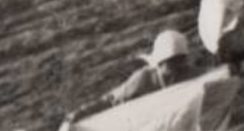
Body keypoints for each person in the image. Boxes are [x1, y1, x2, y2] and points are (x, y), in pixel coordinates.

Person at [64, 30, 195, 123]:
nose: (178, 67)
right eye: (172, 62)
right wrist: (81, 112)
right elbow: (111, 99)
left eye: (180, 60)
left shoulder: (188, 74)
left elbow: (209, 78)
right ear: (160, 63)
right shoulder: (143, 79)